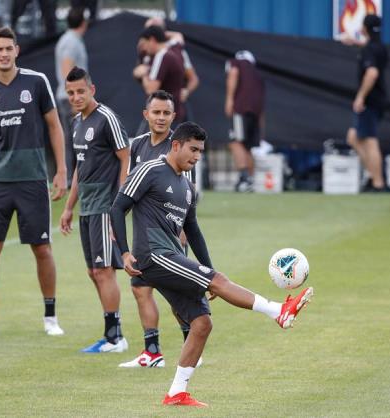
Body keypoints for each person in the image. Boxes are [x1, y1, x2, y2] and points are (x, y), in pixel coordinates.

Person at [110, 121, 313, 407]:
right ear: (176, 145)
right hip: (153, 254)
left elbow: (193, 230)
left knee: (202, 323)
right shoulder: (149, 170)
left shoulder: (187, 186)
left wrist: (208, 270)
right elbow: (118, 207)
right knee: (218, 282)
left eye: (200, 151)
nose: (197, 156)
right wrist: (124, 253)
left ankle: (176, 392)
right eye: (192, 149)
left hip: (172, 255)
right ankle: (278, 311)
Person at [0, 27, 67, 336]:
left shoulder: (37, 82)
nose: (4, 54)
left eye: (9, 48)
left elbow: (55, 126)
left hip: (33, 180)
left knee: (42, 248)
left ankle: (51, 318)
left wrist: (61, 170)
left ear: (17, 50)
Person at [119, 90, 197, 368]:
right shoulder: (138, 145)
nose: (161, 117)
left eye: (166, 113)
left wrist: (181, 237)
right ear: (146, 114)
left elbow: (187, 195)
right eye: (156, 112)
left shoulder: (179, 147)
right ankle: (152, 352)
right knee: (140, 288)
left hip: (171, 236)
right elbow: (129, 188)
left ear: (173, 116)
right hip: (144, 236)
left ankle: (192, 346)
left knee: (177, 296)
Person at [59, 67, 130, 353]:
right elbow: (80, 167)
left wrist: (119, 206)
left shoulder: (107, 119)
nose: (76, 97)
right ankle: (112, 334)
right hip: (87, 207)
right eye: (71, 93)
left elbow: (125, 158)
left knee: (104, 271)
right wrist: (69, 207)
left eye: (81, 91)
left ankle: (115, 338)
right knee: (93, 271)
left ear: (92, 90)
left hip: (104, 206)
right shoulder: (76, 122)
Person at [343, 14, 388, 192]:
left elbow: (372, 73)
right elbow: (370, 49)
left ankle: (378, 183)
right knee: (353, 137)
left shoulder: (370, 50)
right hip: (378, 99)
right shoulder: (379, 47)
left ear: (365, 28)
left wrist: (361, 96)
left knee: (369, 140)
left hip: (370, 100)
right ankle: (372, 175)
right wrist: (355, 42)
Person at [55, 7, 88, 185]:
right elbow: (67, 69)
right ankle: (69, 179)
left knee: (73, 140)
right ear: (84, 23)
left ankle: (71, 178)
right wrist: (74, 98)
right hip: (70, 99)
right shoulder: (71, 42)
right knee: (72, 140)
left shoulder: (70, 40)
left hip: (69, 96)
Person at [224, 50, 265, 192]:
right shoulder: (258, 75)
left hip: (241, 109)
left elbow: (233, 73)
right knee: (248, 147)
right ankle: (250, 180)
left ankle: (244, 178)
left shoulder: (237, 63)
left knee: (235, 142)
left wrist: (229, 100)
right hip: (255, 113)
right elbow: (262, 101)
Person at [134, 26, 185, 132]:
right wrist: (159, 32)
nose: (144, 49)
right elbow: (178, 35)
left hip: (162, 115)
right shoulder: (174, 48)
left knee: (141, 141)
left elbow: (151, 90)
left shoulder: (161, 56)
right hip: (172, 112)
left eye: (145, 44)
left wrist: (144, 73)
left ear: (152, 40)